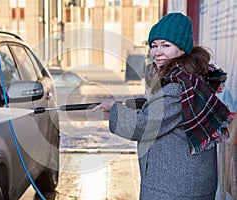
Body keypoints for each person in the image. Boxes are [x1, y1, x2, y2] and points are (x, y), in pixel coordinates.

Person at [99, 12, 235, 200]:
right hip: (188, 183)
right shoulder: (190, 78)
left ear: (182, 49)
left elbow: (143, 126)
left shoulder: (178, 87)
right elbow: (161, 110)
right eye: (154, 45)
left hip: (174, 188)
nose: (157, 52)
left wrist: (114, 109)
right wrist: (133, 104)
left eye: (166, 45)